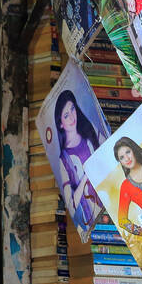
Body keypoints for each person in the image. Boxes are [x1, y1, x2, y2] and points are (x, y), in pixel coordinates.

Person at [54, 89, 103, 229]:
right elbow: (72, 204)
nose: (72, 117)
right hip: (93, 214)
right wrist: (85, 178)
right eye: (66, 115)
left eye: (72, 109)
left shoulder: (90, 131)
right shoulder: (63, 159)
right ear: (60, 124)